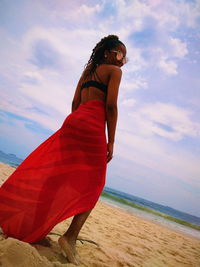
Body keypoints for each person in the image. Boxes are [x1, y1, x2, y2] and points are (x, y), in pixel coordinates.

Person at [0, 34, 128, 265]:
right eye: (120, 54)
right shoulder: (114, 72)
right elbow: (110, 106)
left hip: (74, 120)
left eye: (125, 58)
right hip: (92, 125)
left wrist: (75, 121)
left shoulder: (88, 72)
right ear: (108, 52)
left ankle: (35, 229)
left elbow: (74, 103)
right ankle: (69, 237)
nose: (122, 60)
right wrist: (111, 140)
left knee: (55, 177)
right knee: (95, 184)